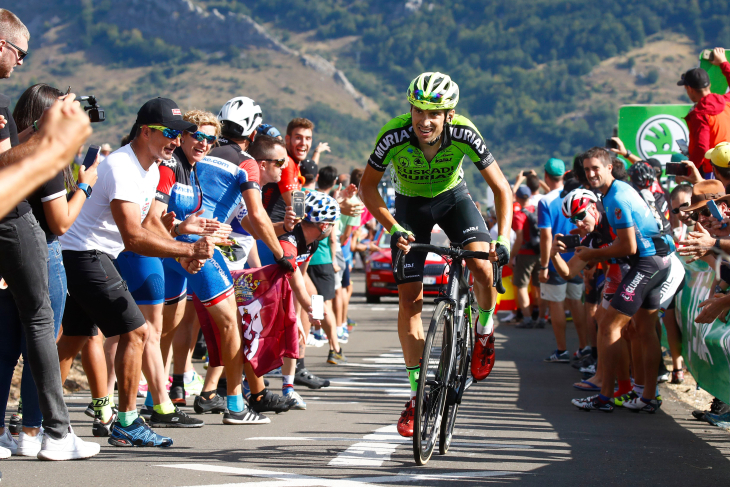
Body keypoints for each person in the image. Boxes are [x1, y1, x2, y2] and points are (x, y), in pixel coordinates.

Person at [359, 72, 512, 437]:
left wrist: (502, 238)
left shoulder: (464, 133)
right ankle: (416, 398)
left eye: (434, 113)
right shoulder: (393, 135)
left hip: (453, 200)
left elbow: (501, 187)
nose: (424, 121)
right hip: (409, 208)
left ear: (449, 114)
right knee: (409, 302)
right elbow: (367, 187)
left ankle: (484, 331)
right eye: (418, 111)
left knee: (483, 267)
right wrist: (392, 227)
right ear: (409, 109)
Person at [56, 97, 216, 447]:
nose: (176, 140)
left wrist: (181, 255)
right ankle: (126, 422)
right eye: (169, 132)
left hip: (92, 255)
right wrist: (188, 248)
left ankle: (36, 416)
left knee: (71, 341)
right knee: (138, 333)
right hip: (82, 255)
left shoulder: (153, 168)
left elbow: (150, 224)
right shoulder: (123, 167)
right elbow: (133, 235)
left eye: (180, 134)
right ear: (145, 131)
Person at [0, 8, 100, 461]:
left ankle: (31, 432)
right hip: (21, 229)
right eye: (19, 54)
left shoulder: (6, 116)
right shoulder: (38, 149)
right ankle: (52, 432)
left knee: (7, 341)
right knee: (41, 325)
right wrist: (57, 152)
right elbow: (59, 222)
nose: (21, 63)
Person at [572, 147, 677, 413]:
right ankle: (648, 396)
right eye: (587, 170)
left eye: (596, 168)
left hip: (647, 261)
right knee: (644, 329)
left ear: (609, 167)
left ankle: (605, 396)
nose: (591, 173)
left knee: (608, 326)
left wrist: (593, 253)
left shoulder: (616, 197)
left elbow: (628, 247)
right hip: (661, 260)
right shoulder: (618, 190)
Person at [537, 158, 587, 362]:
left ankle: (562, 350)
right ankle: (584, 347)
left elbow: (546, 236)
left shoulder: (545, 201)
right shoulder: (577, 195)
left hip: (556, 259)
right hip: (579, 256)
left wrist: (543, 265)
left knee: (556, 303)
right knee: (577, 303)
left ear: (546, 177)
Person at [306, 166, 346, 364]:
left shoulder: (302, 196)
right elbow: (332, 240)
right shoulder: (330, 204)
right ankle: (334, 348)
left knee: (307, 304)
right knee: (325, 306)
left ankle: (303, 345)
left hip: (303, 259)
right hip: (323, 260)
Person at [679, 47, 730, 178]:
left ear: (689, 89)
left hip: (713, 171)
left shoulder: (700, 114)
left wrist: (690, 171)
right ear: (709, 85)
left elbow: (702, 147)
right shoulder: (726, 101)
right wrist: (723, 62)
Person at [511, 186, 542, 329]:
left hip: (525, 254)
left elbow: (519, 238)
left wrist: (512, 256)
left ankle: (527, 319)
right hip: (541, 252)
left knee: (522, 286)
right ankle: (541, 317)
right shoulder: (538, 211)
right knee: (539, 286)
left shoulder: (518, 215)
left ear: (517, 198)